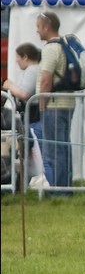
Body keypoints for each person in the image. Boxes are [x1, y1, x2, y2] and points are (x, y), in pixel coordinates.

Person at [35, 11, 77, 195]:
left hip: (54, 105)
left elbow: (46, 80)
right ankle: (65, 189)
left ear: (46, 26)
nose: (37, 32)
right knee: (63, 149)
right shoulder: (63, 46)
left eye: (38, 27)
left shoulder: (51, 49)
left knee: (54, 151)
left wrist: (41, 103)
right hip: (65, 104)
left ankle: (60, 192)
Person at [2, 43, 43, 179]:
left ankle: (18, 181)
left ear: (25, 57)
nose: (16, 61)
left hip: (33, 120)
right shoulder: (35, 69)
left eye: (17, 57)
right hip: (33, 119)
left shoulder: (32, 70)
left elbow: (25, 94)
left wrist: (10, 86)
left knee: (24, 148)